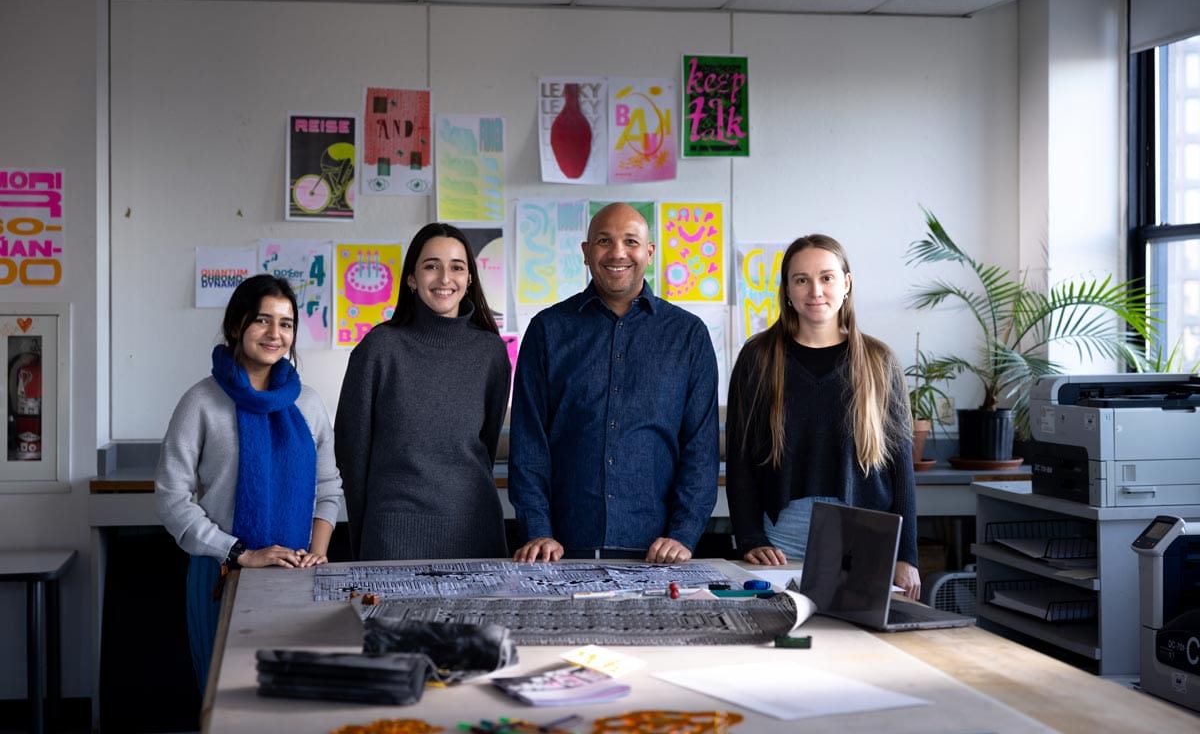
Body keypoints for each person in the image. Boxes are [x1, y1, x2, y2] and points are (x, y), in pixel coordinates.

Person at [155, 274, 343, 691]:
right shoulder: (201, 402)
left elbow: (329, 488)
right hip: (223, 575)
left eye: (287, 323)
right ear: (238, 325)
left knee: (293, 698)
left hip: (297, 579)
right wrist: (241, 553)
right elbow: (172, 499)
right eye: (263, 320)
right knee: (228, 697)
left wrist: (316, 553)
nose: (276, 334)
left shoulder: (308, 403)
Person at [508, 202, 719, 564]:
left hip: (659, 553)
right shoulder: (548, 330)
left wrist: (683, 534)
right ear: (587, 253)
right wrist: (538, 530)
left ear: (649, 253)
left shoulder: (688, 335)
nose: (618, 252)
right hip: (560, 551)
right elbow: (529, 444)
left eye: (631, 241)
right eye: (604, 241)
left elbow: (700, 448)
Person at [725, 234, 921, 599]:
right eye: (802, 279)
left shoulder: (879, 361)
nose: (815, 290)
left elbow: (900, 468)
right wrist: (750, 535)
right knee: (781, 641)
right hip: (782, 540)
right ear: (787, 289)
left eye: (827, 277)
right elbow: (739, 458)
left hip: (864, 533)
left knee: (855, 646)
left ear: (846, 284)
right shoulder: (759, 357)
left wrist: (906, 554)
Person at [335, 222, 511, 561]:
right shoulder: (379, 349)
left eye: (457, 267)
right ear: (412, 279)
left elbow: (483, 448)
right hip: (394, 539)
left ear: (470, 279)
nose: (445, 278)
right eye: (431, 266)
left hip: (477, 536)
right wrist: (364, 538)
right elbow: (352, 455)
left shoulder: (490, 353)